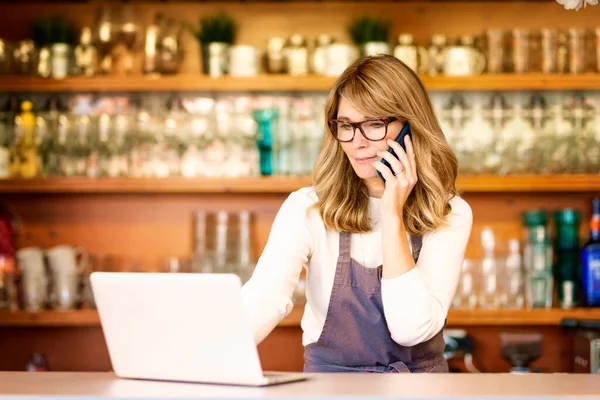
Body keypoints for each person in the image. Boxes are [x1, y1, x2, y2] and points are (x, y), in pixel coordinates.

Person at [241, 54, 473, 373]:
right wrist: (201, 357)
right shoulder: (307, 207)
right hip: (330, 391)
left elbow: (411, 329)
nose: (358, 142)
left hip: (419, 392)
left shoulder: (450, 213)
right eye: (347, 126)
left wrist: (392, 214)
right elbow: (263, 300)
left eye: (375, 124)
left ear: (411, 126)